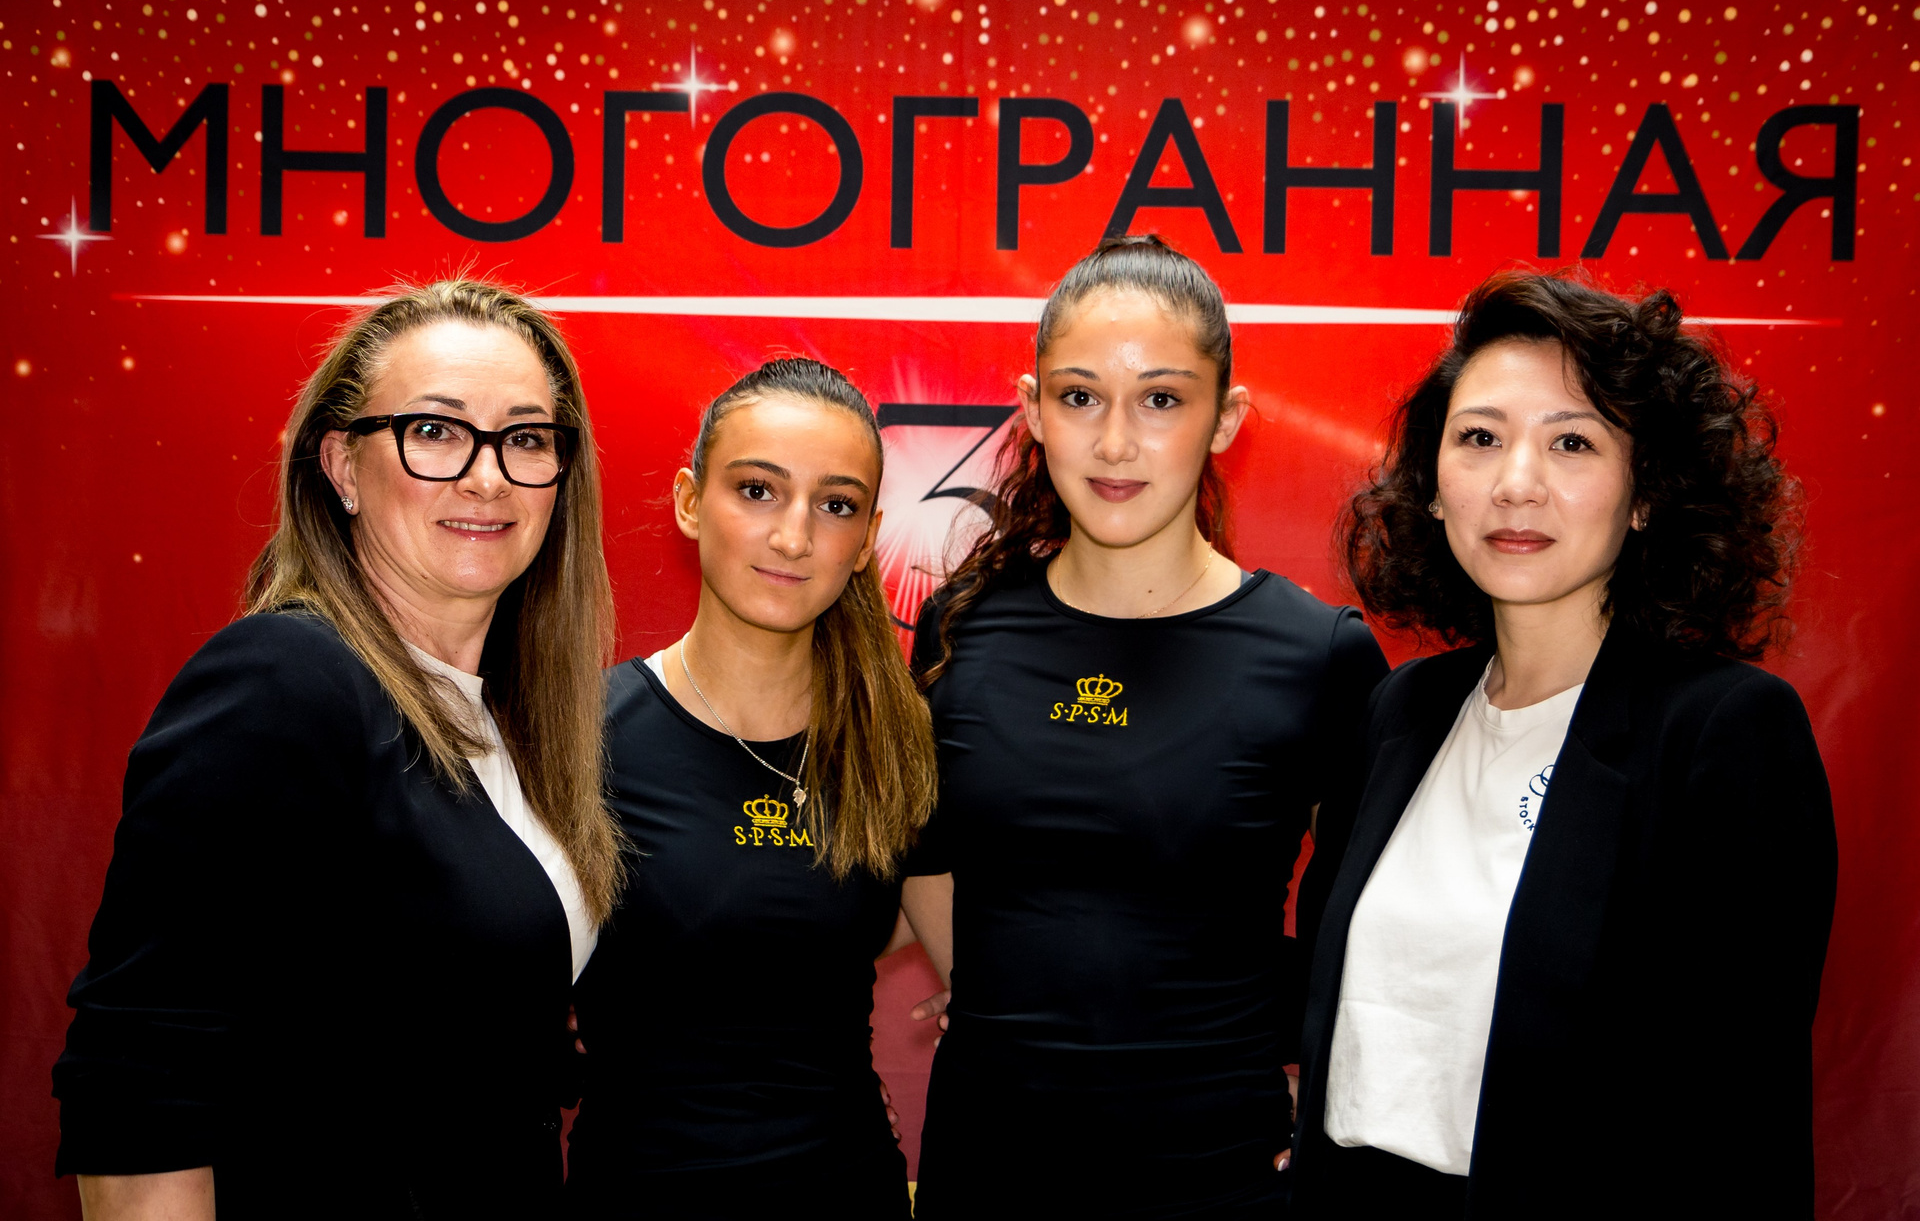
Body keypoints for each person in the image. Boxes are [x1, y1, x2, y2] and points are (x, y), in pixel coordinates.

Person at [52, 280, 620, 1221]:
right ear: (342, 467)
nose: (487, 477)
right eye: (434, 431)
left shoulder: (513, 724)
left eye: (525, 438)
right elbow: (140, 1080)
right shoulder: (284, 681)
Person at [1290, 271, 1837, 1220]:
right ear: (1432, 487)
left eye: (1572, 442)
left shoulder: (1724, 732)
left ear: (1645, 494)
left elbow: (1744, 1116)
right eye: (1480, 438)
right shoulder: (1403, 710)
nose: (1516, 483)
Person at [900, 235, 1389, 1218]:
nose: (1115, 442)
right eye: (1080, 396)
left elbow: (1369, 924)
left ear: (1225, 418)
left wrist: (1325, 1089)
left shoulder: (1319, 654)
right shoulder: (962, 626)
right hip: (987, 1176)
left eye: (1161, 399)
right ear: (1034, 407)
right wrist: (1016, 1011)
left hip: (1219, 1180)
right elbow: (926, 855)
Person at [566, 358, 937, 1219]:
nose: (794, 537)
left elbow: (999, 962)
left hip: (847, 1210)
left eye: (835, 505)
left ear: (868, 538)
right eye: (758, 491)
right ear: (690, 501)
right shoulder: (578, 737)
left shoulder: (901, 747)